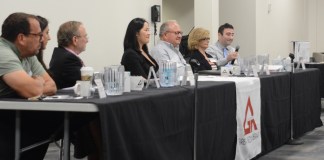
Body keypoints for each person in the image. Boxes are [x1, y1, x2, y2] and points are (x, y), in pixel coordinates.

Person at [0, 12, 58, 160]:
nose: (42, 39)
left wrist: (36, 85)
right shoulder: (3, 52)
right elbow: (32, 90)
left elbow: (51, 86)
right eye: (38, 35)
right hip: (5, 123)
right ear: (21, 38)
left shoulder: (29, 54)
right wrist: (36, 83)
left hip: (14, 118)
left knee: (69, 121)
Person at [49, 21, 88, 89]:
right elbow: (85, 83)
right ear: (75, 40)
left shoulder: (61, 54)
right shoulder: (68, 59)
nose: (87, 40)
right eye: (85, 36)